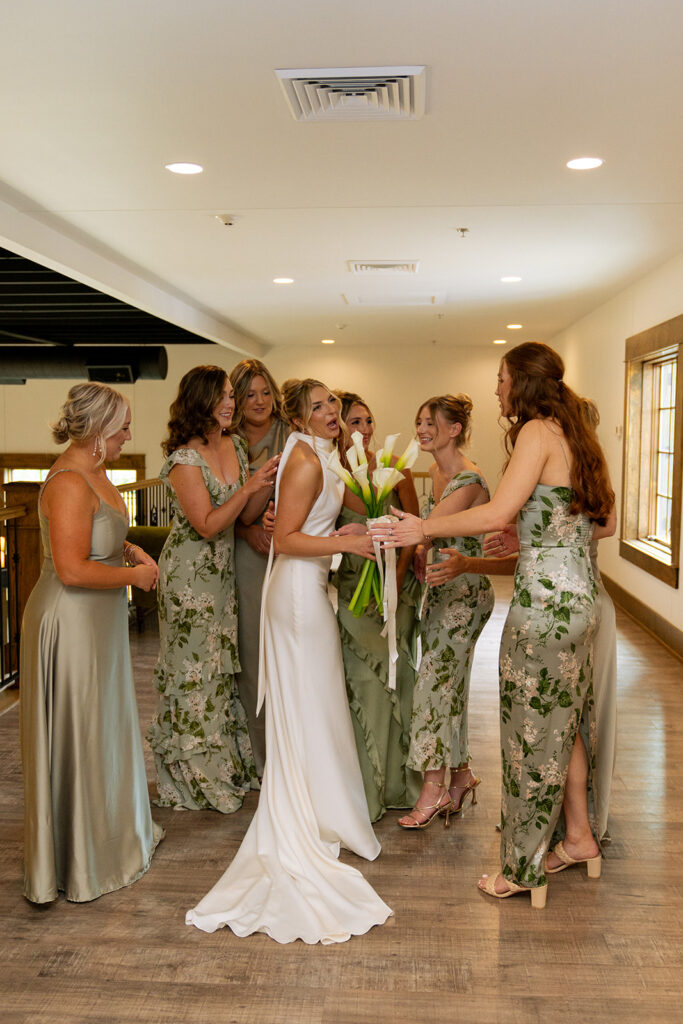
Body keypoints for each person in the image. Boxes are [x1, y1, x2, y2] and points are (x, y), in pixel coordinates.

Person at [372, 343, 615, 907]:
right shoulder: (576, 434)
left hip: (544, 610)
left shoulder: (535, 433)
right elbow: (599, 526)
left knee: (528, 734)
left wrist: (423, 532)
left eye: (502, 378)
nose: (497, 389)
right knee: (568, 721)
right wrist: (534, 537)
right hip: (582, 600)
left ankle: (522, 868)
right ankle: (578, 838)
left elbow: (498, 511)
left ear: (523, 383)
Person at [185, 379, 392, 944]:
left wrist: (350, 528)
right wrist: (345, 546)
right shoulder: (303, 459)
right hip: (297, 595)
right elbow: (289, 541)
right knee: (308, 702)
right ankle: (309, 815)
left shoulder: (326, 457)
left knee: (316, 704)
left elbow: (319, 524)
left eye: (336, 405)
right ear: (299, 418)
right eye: (320, 406)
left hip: (308, 590)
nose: (333, 413)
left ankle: (327, 807)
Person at [20, 382, 163, 903]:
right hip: (70, 623)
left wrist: (125, 548)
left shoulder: (98, 473)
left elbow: (100, 536)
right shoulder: (67, 482)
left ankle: (109, 834)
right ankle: (78, 858)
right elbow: (73, 569)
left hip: (98, 623)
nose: (129, 434)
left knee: (103, 728)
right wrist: (137, 579)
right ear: (100, 430)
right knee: (80, 731)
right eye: (123, 426)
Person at [147, 365, 279, 813]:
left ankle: (224, 767)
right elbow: (206, 525)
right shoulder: (185, 460)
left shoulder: (236, 444)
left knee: (220, 672)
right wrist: (249, 488)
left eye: (231, 396)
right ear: (201, 400)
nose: (232, 403)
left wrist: (267, 484)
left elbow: (243, 517)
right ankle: (192, 776)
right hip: (188, 578)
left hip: (221, 577)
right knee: (192, 673)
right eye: (224, 396)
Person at [398, 395, 494, 829]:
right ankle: (460, 776)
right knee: (448, 686)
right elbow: (430, 534)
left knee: (433, 686)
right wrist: (422, 550)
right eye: (418, 421)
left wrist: (413, 537)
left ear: (454, 429)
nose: (421, 429)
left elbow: (428, 525)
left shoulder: (468, 479)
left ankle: (433, 788)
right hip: (440, 590)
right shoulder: (437, 471)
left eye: (430, 422)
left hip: (465, 595)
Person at [332, 390, 421, 821]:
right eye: (355, 422)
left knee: (396, 679)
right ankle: (363, 788)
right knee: (361, 686)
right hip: (352, 590)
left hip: (394, 593)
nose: (364, 430)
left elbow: (415, 531)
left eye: (368, 421)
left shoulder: (397, 473)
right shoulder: (331, 475)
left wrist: (398, 580)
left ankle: (398, 783)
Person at [230, 359, 290, 777]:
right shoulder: (226, 440)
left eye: (265, 391)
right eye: (249, 394)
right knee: (252, 654)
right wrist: (247, 530)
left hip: (291, 553)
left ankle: (293, 752)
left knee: (288, 651)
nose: (259, 401)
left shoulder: (291, 434)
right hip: (246, 557)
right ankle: (260, 758)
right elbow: (214, 508)